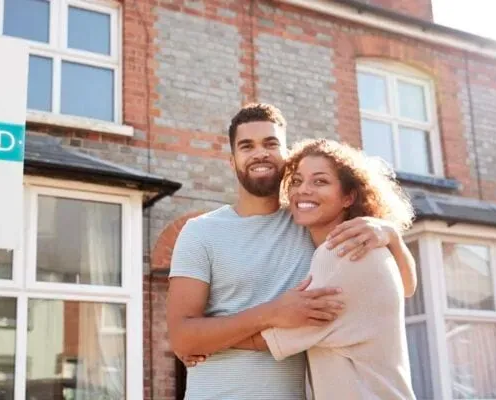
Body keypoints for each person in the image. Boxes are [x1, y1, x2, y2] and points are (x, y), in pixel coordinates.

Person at [166, 103, 417, 400]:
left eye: (270, 144)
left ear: (287, 157)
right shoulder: (201, 232)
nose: (260, 153)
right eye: (247, 146)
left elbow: (404, 288)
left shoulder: (312, 224)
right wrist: (272, 313)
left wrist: (391, 236)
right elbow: (182, 337)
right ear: (232, 161)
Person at [232, 138, 416, 398]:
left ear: (348, 197)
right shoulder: (369, 247)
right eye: (296, 181)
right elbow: (408, 288)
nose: (303, 190)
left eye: (320, 181)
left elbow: (267, 340)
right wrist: (393, 237)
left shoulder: (344, 254)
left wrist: (202, 343)